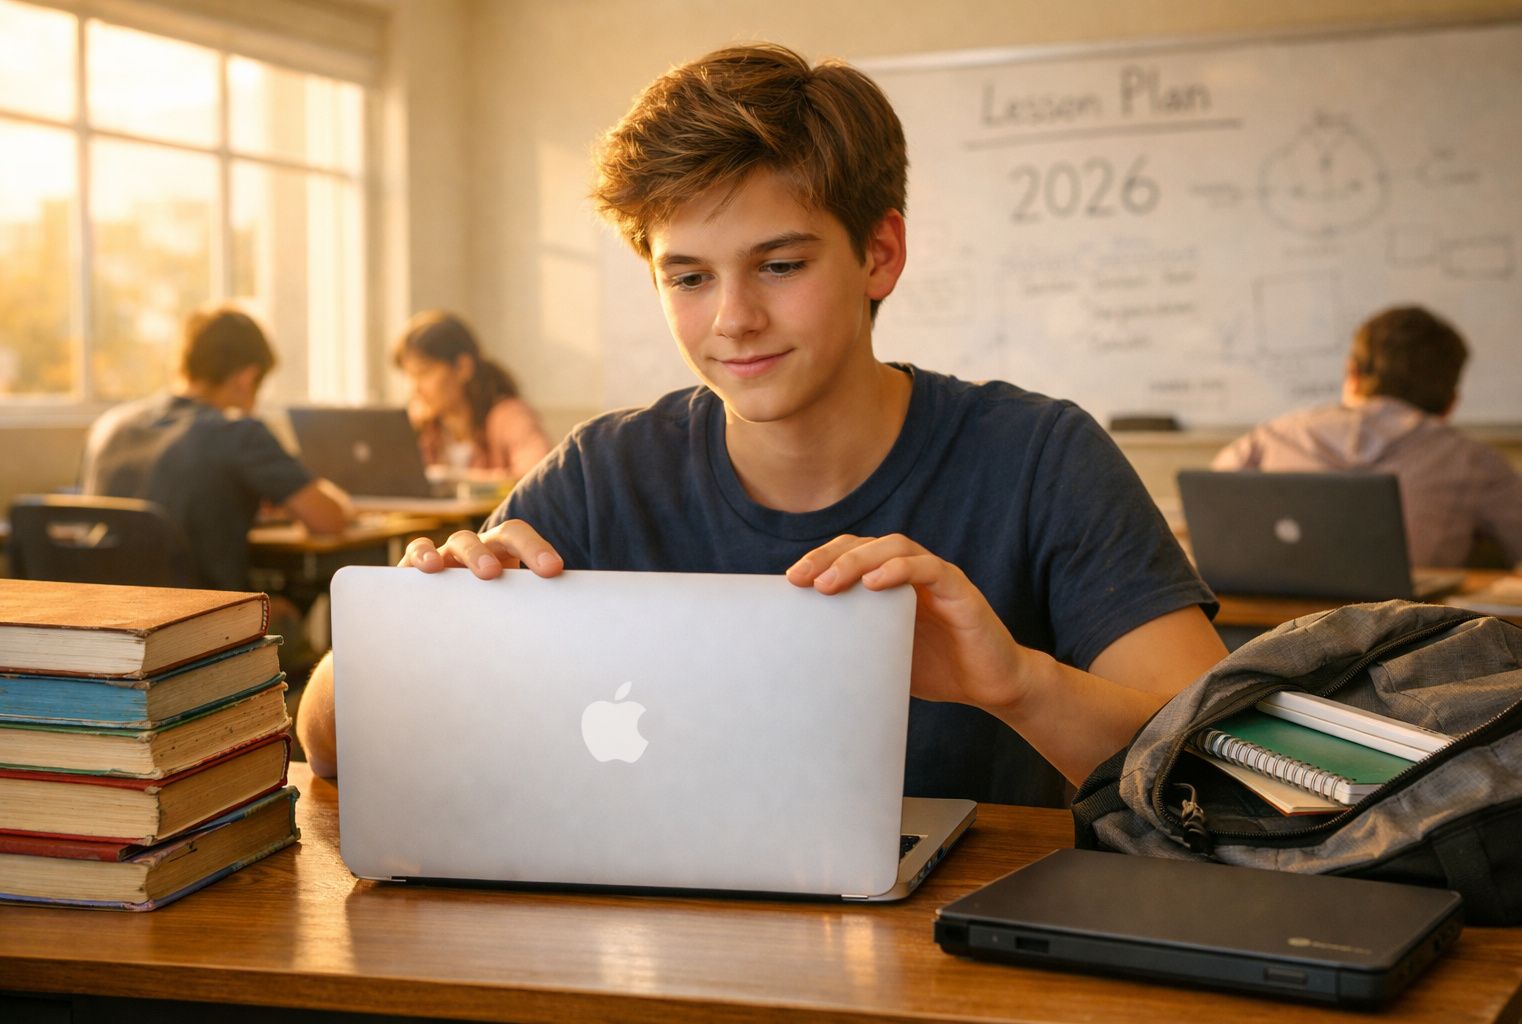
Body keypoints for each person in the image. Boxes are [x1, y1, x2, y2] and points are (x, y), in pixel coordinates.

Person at [298, 44, 1227, 799]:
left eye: (780, 266)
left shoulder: (1039, 459)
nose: (731, 319)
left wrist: (1018, 685)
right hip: (651, 949)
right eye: (689, 277)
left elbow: (1227, 767)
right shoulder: (603, 473)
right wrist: (418, 626)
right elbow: (328, 746)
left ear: (880, 253)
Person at [81, 306, 353, 662]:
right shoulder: (238, 432)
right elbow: (329, 520)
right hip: (205, 634)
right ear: (246, 377)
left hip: (109, 633)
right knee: (307, 596)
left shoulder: (109, 427)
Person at [1213, 305, 1522, 568]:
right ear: (1450, 402)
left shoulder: (1270, 437)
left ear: (1351, 374)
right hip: (1409, 635)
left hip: (1265, 630)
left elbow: (1208, 512)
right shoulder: (1473, 460)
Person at [394, 310, 551, 480]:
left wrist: (450, 478)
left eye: (424, 373)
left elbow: (540, 478)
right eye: (410, 376)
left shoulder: (508, 415)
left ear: (462, 367)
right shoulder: (427, 429)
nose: (415, 388)